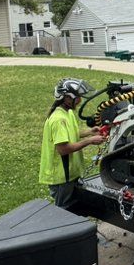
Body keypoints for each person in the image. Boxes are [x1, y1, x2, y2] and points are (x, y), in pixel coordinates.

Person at [40, 78, 104, 208]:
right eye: (78, 97)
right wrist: (90, 141)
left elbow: (71, 133)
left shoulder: (67, 113)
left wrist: (90, 132)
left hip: (69, 174)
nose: (80, 100)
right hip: (61, 176)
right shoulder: (58, 119)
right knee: (63, 211)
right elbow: (63, 149)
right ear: (67, 98)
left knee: (72, 208)